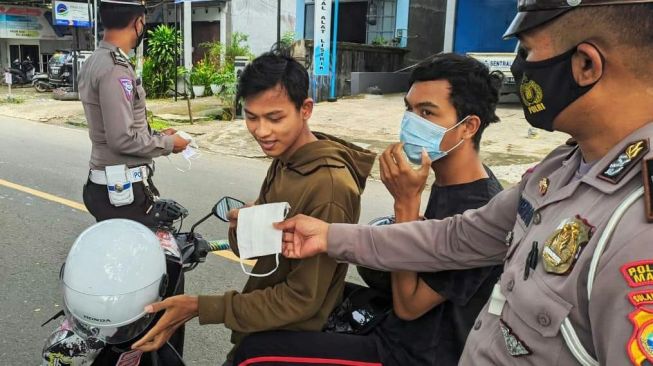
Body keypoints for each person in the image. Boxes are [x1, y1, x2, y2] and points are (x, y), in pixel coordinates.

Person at [276, 1, 653, 365]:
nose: (520, 69)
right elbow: (456, 239)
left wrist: (401, 205)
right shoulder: (561, 168)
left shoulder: (637, 225)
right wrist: (329, 236)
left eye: (527, 50)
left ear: (585, 64)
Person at [230, 53, 505, 366]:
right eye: (409, 109)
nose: (412, 123)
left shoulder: (480, 208)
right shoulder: (448, 181)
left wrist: (406, 203)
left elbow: (410, 305)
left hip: (411, 352)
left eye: (427, 112)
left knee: (252, 355)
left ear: (468, 126)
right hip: (393, 326)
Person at [131, 50, 376, 365]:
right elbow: (266, 254)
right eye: (251, 116)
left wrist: (200, 306)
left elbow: (302, 299)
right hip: (263, 328)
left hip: (287, 345)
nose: (261, 131)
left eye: (275, 118)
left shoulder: (328, 187)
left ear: (306, 109)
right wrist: (246, 225)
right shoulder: (287, 160)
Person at [80, 0, 188, 227]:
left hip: (110, 185)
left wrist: (158, 135)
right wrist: (169, 144)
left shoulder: (94, 61)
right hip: (121, 191)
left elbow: (122, 124)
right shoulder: (115, 69)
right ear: (138, 23)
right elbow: (121, 138)